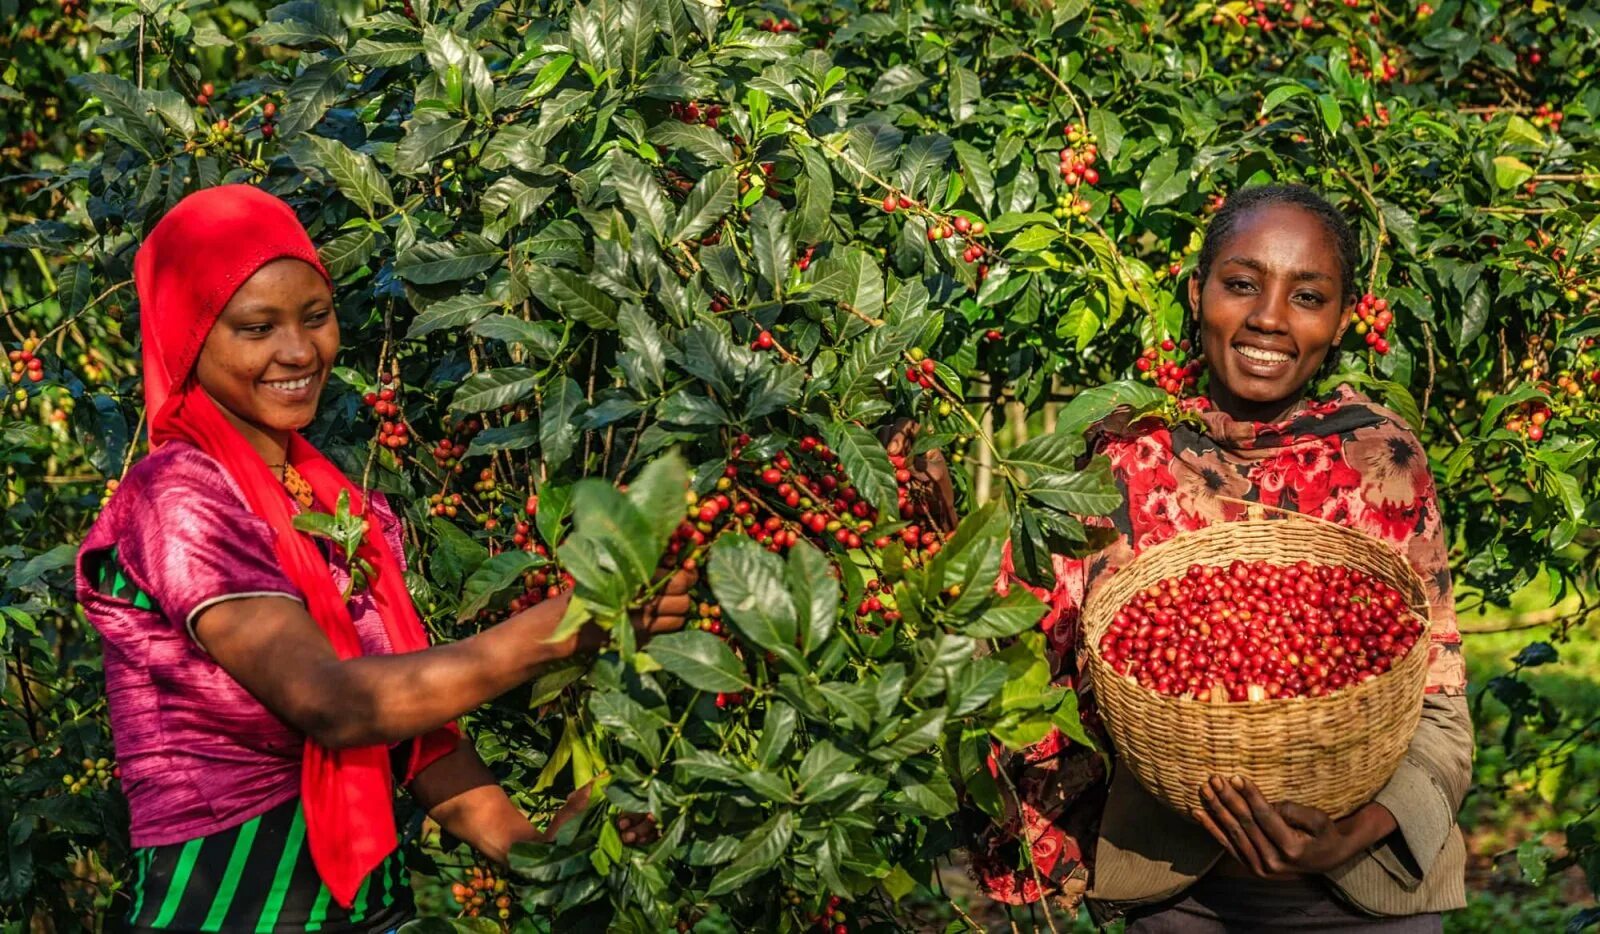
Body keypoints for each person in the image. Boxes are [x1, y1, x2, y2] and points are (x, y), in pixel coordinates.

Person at [75, 185, 693, 933]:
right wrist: (562, 628)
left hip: (370, 911)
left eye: (316, 317)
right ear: (189, 338)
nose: (298, 352)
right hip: (226, 909)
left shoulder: (336, 503)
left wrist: (546, 855)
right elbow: (334, 704)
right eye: (255, 327)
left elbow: (409, 732)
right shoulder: (176, 497)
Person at [969, 184, 1470, 931]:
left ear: (1339, 323)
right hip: (1179, 896)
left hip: (1367, 894)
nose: (1268, 317)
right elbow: (1025, 674)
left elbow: (1439, 707)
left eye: (1307, 296)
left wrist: (1347, 835)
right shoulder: (1121, 460)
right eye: (1241, 284)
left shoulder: (1381, 458)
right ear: (1198, 292)